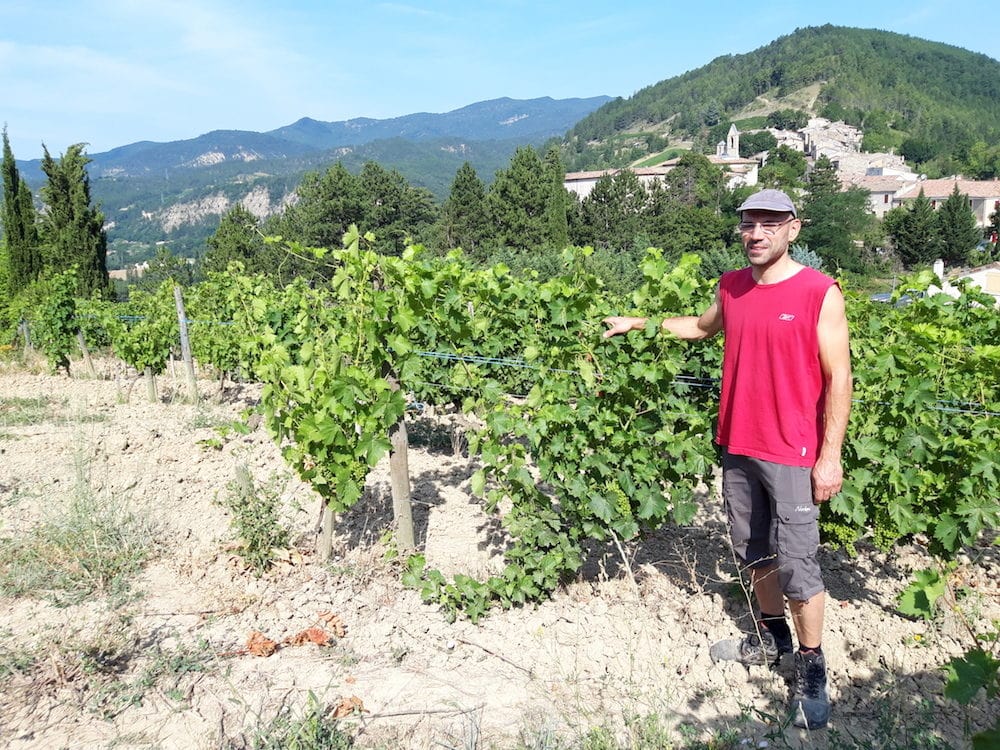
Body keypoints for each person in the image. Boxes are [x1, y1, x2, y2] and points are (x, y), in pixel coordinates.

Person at [603, 188, 852, 730]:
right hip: (738, 444)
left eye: (768, 224)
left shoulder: (818, 292)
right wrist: (637, 324)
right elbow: (699, 325)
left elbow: (839, 380)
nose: (756, 233)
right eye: (748, 224)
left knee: (799, 564)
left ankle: (811, 667)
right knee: (753, 549)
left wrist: (829, 456)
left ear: (793, 229)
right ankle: (770, 638)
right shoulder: (732, 287)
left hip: (792, 452)